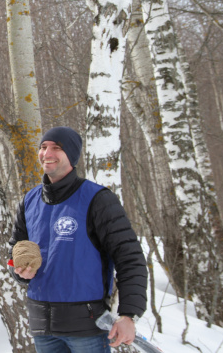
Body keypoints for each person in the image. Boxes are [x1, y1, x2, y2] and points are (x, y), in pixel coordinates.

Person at [9, 126, 147, 353]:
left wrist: (128, 314)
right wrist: (20, 272)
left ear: (72, 156)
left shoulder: (97, 199)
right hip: (43, 327)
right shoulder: (29, 201)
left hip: (87, 327)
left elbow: (129, 258)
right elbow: (15, 251)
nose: (47, 153)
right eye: (43, 147)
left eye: (57, 148)